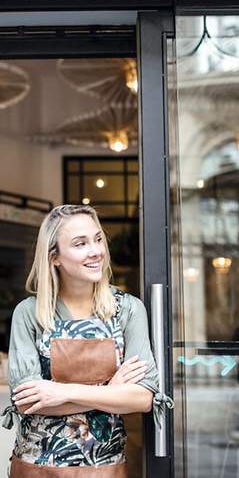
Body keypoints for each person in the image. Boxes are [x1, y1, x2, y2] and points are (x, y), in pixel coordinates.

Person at [1, 204, 173, 477]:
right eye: (80, 244)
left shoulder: (127, 310)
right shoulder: (30, 313)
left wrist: (63, 392)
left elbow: (142, 398)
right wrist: (111, 391)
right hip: (37, 467)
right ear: (54, 257)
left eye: (98, 239)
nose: (96, 251)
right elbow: (27, 402)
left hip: (104, 466)